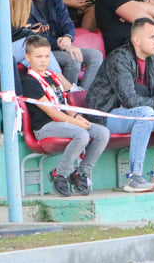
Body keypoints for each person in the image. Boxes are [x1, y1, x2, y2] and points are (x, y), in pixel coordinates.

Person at [86, 18, 154, 192]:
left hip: (135, 116)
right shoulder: (119, 58)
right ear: (137, 40)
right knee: (146, 112)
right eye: (152, 37)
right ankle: (134, 177)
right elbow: (129, 100)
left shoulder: (151, 58)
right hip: (105, 116)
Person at [21, 35, 110, 196]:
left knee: (102, 133)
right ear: (27, 57)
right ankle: (60, 174)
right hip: (45, 127)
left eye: (47, 56)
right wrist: (74, 123)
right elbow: (51, 111)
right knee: (81, 134)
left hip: (65, 123)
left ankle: (81, 173)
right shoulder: (29, 81)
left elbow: (63, 104)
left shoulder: (52, 77)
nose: (43, 60)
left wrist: (77, 117)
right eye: (38, 56)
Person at [28, 0, 103, 89]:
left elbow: (66, 23)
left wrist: (67, 38)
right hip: (44, 49)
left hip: (62, 45)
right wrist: (60, 43)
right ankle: (67, 97)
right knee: (73, 60)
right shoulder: (25, 1)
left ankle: (82, 96)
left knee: (96, 56)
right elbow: (32, 35)